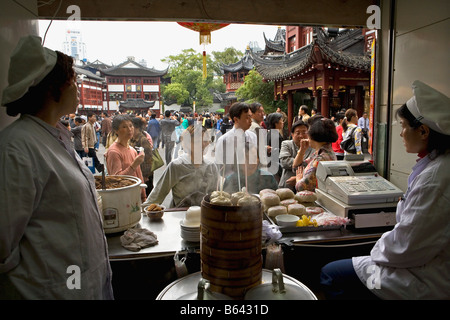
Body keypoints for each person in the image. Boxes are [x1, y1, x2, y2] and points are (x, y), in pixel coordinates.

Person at [0, 35, 113, 299]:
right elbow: (3, 245)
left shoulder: (56, 136)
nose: (77, 88)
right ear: (52, 90)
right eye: (73, 82)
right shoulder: (16, 148)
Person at [320, 80, 450, 300]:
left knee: (331, 274)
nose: (400, 134)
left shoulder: (434, 179)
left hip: (421, 279)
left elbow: (406, 247)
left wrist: (376, 249)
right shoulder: (435, 164)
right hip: (419, 263)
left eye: (403, 126)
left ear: (423, 131)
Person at [144, 124, 220, 208]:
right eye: (197, 141)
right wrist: (144, 211)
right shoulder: (176, 166)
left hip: (204, 215)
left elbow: (216, 196)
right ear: (187, 143)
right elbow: (156, 195)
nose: (203, 144)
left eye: (205, 141)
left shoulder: (211, 166)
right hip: (179, 215)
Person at [105, 114, 146, 202]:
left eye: (131, 126)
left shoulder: (132, 149)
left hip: (134, 195)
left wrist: (143, 196)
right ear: (116, 130)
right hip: (123, 198)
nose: (129, 129)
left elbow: (139, 174)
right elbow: (116, 179)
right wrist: (134, 165)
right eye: (124, 127)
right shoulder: (114, 152)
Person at [215, 102, 257, 178]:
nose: (251, 120)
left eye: (251, 117)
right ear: (236, 119)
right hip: (232, 183)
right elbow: (220, 167)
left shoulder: (252, 136)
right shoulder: (224, 140)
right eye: (247, 117)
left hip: (252, 180)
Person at [295, 117, 338, 192]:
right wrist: (302, 150)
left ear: (313, 136)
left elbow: (301, 187)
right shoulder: (323, 152)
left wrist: (298, 179)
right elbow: (297, 166)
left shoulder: (320, 158)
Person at [279, 120, 315, 191]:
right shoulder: (286, 144)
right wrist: (306, 165)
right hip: (287, 185)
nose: (301, 136)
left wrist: (299, 177)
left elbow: (315, 165)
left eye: (304, 132)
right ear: (292, 135)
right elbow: (284, 162)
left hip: (306, 186)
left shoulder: (313, 146)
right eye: (297, 133)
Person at [130, 116, 154, 196]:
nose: (130, 129)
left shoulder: (143, 140)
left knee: (146, 195)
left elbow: (149, 158)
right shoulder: (132, 139)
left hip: (145, 175)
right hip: (137, 172)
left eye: (131, 126)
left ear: (137, 128)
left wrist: (146, 175)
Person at [265, 112, 285, 181]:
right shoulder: (275, 135)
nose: (283, 122)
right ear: (276, 123)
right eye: (281, 120)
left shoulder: (270, 132)